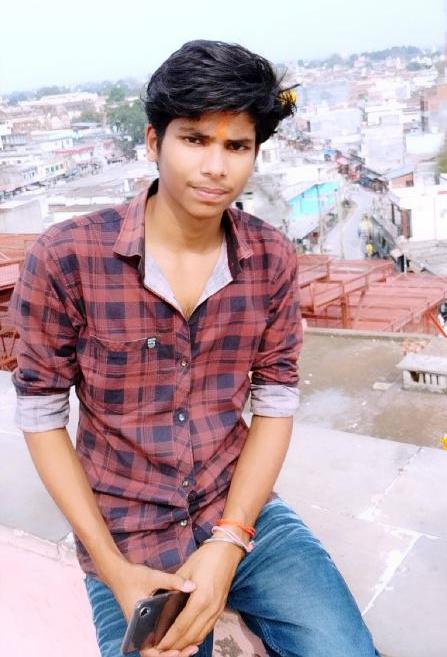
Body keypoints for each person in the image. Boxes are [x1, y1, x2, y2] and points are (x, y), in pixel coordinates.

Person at [10, 40, 380, 657]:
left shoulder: (270, 258)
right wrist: (112, 569)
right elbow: (43, 416)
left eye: (237, 146)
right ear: (153, 141)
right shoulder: (67, 256)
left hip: (237, 505)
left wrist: (230, 539)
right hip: (125, 529)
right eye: (195, 139)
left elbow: (275, 402)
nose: (215, 167)